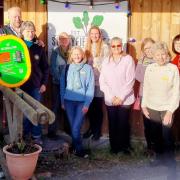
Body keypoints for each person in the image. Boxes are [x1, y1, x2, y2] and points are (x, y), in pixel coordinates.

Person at [141, 42, 179, 170]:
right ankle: (159, 158)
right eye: (157, 55)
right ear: (154, 56)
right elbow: (146, 88)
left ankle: (170, 163)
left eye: (163, 54)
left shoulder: (172, 69)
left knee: (167, 135)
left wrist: (170, 111)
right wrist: (144, 106)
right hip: (152, 107)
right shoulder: (150, 68)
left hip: (166, 108)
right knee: (156, 135)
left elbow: (176, 91)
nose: (161, 57)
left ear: (167, 54)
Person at [99, 37, 135, 154]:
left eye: (118, 45)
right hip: (111, 99)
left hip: (125, 99)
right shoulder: (105, 61)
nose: (116, 48)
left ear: (122, 46)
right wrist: (112, 97)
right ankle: (114, 148)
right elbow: (102, 81)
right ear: (110, 47)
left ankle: (125, 147)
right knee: (113, 123)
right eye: (113, 46)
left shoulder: (128, 59)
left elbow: (130, 81)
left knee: (123, 123)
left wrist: (120, 97)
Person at [60, 46, 94, 158]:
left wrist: (87, 104)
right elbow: (62, 86)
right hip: (68, 101)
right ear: (71, 56)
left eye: (78, 54)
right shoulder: (67, 68)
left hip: (81, 103)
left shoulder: (88, 68)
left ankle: (79, 151)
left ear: (82, 55)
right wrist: (62, 101)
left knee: (75, 128)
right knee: (73, 127)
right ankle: (75, 148)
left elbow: (90, 88)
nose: (76, 56)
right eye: (74, 54)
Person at [20, 21, 49, 145]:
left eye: (32, 31)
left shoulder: (39, 48)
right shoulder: (18, 46)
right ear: (22, 32)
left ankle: (37, 136)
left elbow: (46, 68)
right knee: (26, 111)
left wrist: (44, 84)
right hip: (21, 85)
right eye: (27, 31)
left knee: (37, 110)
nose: (30, 33)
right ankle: (25, 135)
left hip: (36, 85)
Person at [83, 26, 109, 140]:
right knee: (90, 107)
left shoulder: (105, 47)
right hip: (88, 82)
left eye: (96, 33)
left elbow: (107, 65)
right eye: (92, 33)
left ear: (100, 34)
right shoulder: (87, 47)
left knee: (97, 107)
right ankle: (91, 129)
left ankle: (97, 131)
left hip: (99, 82)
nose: (94, 35)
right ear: (89, 35)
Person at [48, 32, 71, 139]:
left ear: (69, 40)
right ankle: (52, 132)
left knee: (68, 107)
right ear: (58, 40)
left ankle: (68, 129)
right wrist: (61, 80)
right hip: (57, 84)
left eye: (65, 38)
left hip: (70, 86)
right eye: (61, 38)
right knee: (56, 107)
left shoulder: (72, 51)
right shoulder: (55, 52)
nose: (63, 40)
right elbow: (52, 68)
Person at [135, 38, 155, 155]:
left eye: (150, 47)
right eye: (146, 48)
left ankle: (158, 148)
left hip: (157, 96)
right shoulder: (142, 60)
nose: (148, 50)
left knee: (156, 123)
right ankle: (149, 148)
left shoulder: (159, 58)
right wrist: (149, 81)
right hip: (144, 95)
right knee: (147, 123)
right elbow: (137, 75)